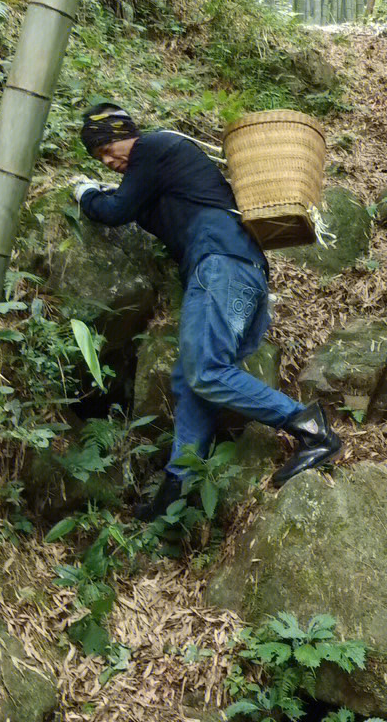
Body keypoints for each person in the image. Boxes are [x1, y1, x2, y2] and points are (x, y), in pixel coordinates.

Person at [72, 102, 341, 520]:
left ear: (128, 132)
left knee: (205, 372)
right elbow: (131, 203)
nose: (108, 160)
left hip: (220, 267)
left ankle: (311, 429)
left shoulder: (155, 147)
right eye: (99, 158)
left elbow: (113, 211)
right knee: (192, 379)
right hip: (241, 273)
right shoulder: (161, 177)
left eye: (107, 147)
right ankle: (176, 490)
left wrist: (86, 192)